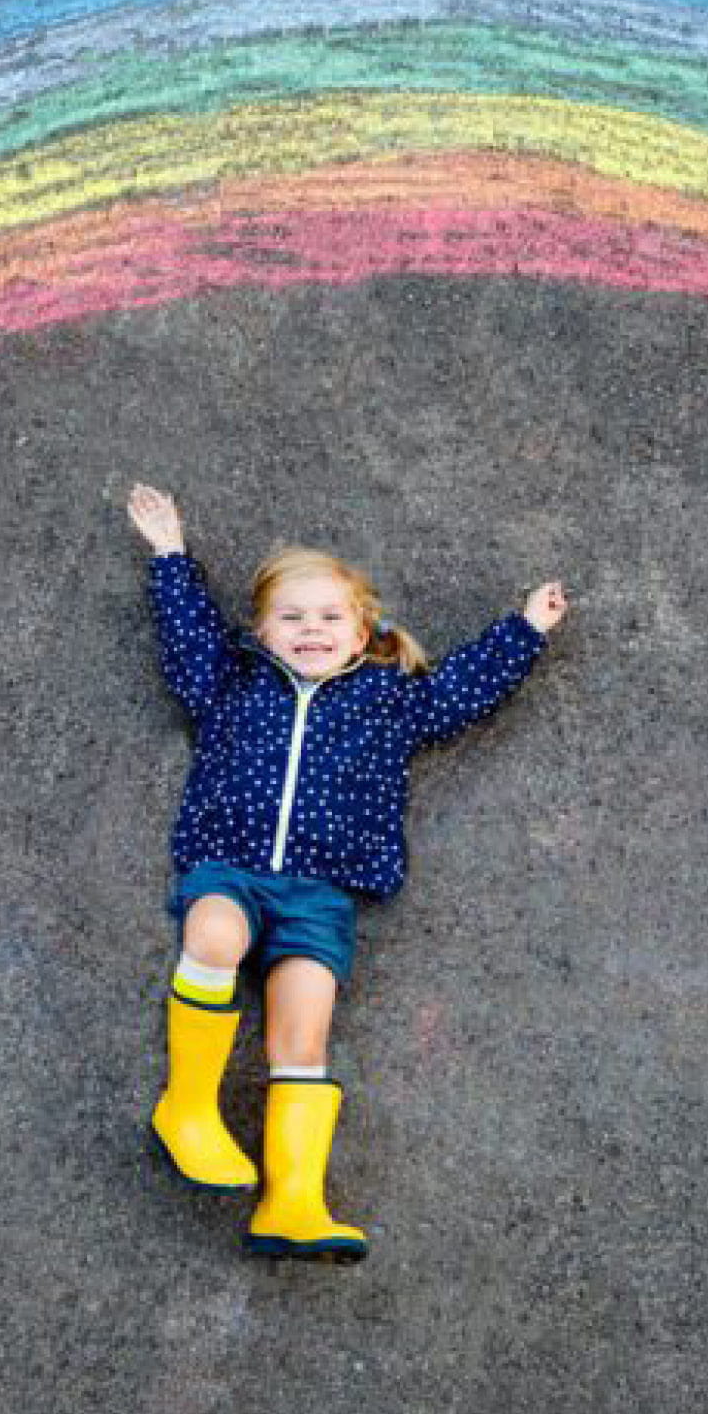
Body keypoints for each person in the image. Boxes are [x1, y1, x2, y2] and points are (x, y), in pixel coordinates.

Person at [126, 482, 568, 1261]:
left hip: (321, 894)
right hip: (230, 865)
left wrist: (525, 630)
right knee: (213, 931)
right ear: (261, 633)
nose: (310, 630)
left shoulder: (390, 702)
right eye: (291, 618)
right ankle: (187, 1108)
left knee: (305, 1033)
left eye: (329, 617)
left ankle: (292, 1199)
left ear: (362, 634)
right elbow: (191, 639)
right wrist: (170, 555)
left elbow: (460, 691)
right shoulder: (229, 684)